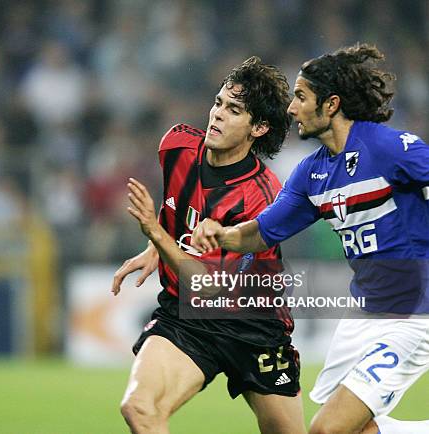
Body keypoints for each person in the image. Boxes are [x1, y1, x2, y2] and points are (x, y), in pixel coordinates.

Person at [192, 43, 429, 434]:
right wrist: (223, 234)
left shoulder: (388, 148)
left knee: (324, 431)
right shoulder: (311, 174)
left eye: (301, 97)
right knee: (357, 429)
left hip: (414, 312)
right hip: (366, 312)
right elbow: (261, 232)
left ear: (331, 104)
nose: (291, 108)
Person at [112, 57, 305, 434]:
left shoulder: (263, 196)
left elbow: (209, 285)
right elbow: (179, 212)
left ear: (259, 127)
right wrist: (157, 247)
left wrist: (155, 234)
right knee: (139, 408)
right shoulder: (177, 145)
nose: (216, 115)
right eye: (218, 103)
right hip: (186, 318)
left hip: (253, 327)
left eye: (233, 110)